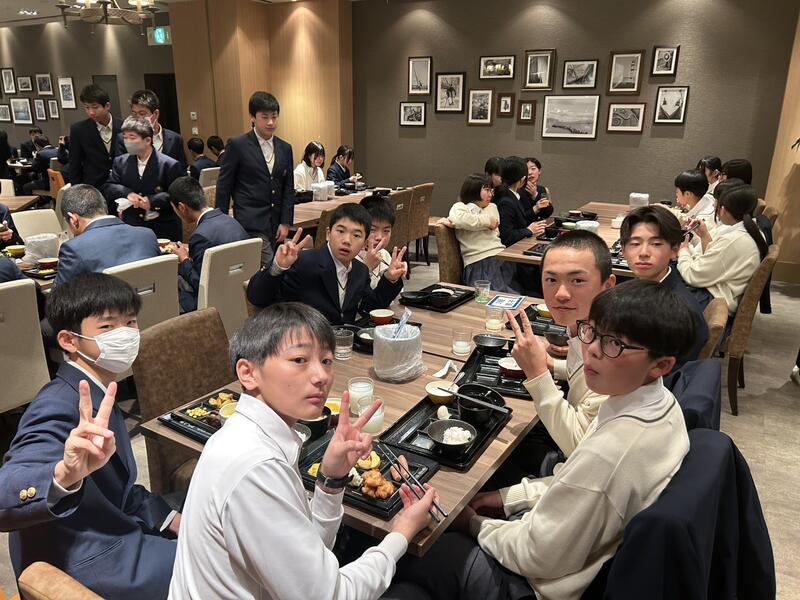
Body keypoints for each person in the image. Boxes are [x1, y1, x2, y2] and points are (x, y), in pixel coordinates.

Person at [396, 280, 694, 600]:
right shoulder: (658, 402)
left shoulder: (614, 451)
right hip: (564, 543)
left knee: (417, 548)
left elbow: (535, 554)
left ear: (661, 365)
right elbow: (574, 481)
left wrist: (473, 524)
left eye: (614, 344)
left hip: (539, 585)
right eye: (592, 332)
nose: (593, 349)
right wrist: (505, 498)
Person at [169, 303, 437, 599]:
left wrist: (332, 479)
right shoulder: (256, 468)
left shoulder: (247, 434)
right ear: (248, 373)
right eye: (299, 359)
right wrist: (401, 532)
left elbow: (309, 553)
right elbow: (331, 595)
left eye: (326, 360)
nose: (321, 376)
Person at [0, 273, 180, 599]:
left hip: (112, 529)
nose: (125, 334)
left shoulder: (99, 389)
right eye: (107, 326)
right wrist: (62, 475)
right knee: (220, 561)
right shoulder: (58, 402)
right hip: (87, 561)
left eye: (131, 322)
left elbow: (120, 489)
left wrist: (169, 519)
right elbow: (7, 488)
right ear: (69, 341)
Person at [247, 203, 406, 325]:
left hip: (344, 347)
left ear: (365, 242)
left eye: (356, 235)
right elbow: (257, 298)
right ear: (328, 234)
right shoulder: (304, 262)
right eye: (341, 231)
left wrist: (389, 279)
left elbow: (369, 308)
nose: (347, 240)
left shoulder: (360, 270)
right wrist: (277, 267)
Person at [620, 205, 709, 365]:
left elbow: (669, 372)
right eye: (635, 243)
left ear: (674, 249)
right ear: (623, 250)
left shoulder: (679, 312)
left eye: (656, 244)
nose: (644, 253)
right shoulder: (638, 288)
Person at [216, 91, 296, 268]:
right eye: (264, 117)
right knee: (271, 267)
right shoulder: (238, 145)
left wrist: (285, 222)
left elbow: (288, 187)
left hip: (275, 222)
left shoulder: (285, 148)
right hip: (249, 220)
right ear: (252, 117)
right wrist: (220, 222)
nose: (270, 122)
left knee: (265, 270)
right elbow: (224, 185)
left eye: (274, 117)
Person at [677, 183, 768, 314]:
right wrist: (703, 236)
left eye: (717, 203)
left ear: (724, 209)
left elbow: (693, 275)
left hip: (711, 300)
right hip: (716, 290)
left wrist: (683, 250)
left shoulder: (734, 240)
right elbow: (715, 260)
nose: (714, 206)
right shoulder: (753, 230)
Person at [168, 176, 249, 312]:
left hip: (214, 303)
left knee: (169, 290)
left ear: (181, 207)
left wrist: (184, 259)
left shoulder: (200, 236)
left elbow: (200, 284)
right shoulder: (232, 222)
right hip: (240, 295)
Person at [54, 184, 160, 287]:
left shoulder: (74, 248)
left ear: (73, 220)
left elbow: (59, 296)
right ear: (104, 208)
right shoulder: (147, 236)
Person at [103, 115, 184, 242]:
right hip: (133, 225)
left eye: (132, 138)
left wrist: (152, 201)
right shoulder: (120, 161)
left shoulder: (169, 164)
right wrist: (128, 193)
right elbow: (109, 186)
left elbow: (178, 194)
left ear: (147, 140)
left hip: (162, 225)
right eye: (125, 137)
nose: (127, 142)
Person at [440, 174, 518, 293]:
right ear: (474, 189)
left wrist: (460, 223)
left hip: (500, 256)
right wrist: (485, 222)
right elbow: (460, 219)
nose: (491, 194)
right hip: (478, 260)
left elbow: (494, 222)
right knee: (497, 296)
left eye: (491, 190)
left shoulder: (492, 207)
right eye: (487, 190)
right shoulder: (460, 207)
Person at [116, 89, 186, 172]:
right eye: (134, 114)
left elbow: (181, 171)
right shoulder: (124, 139)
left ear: (156, 114)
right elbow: (121, 169)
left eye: (142, 114)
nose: (138, 118)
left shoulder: (175, 139)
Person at [67, 84, 121, 189]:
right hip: (93, 187)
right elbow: (74, 165)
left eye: (95, 107)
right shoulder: (79, 130)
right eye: (87, 107)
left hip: (121, 186)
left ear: (107, 106)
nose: (91, 112)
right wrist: (77, 192)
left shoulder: (123, 127)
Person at [495, 156, 546, 248]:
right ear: (522, 180)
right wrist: (529, 230)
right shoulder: (506, 201)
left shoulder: (510, 195)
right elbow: (506, 236)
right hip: (509, 249)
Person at [357, 194, 395, 288]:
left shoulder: (385, 255)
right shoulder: (349, 258)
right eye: (372, 230)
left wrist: (393, 279)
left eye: (386, 231)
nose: (379, 237)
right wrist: (366, 268)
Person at [675, 169, 716, 236]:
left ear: (687, 194)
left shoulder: (700, 221)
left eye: (677, 191)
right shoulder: (709, 197)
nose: (676, 194)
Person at [518, 157, 553, 223]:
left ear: (539, 171)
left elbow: (547, 213)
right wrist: (535, 208)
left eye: (533, 169)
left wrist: (535, 195)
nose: (529, 172)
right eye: (526, 170)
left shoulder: (543, 189)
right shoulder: (517, 190)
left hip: (540, 226)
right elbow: (519, 219)